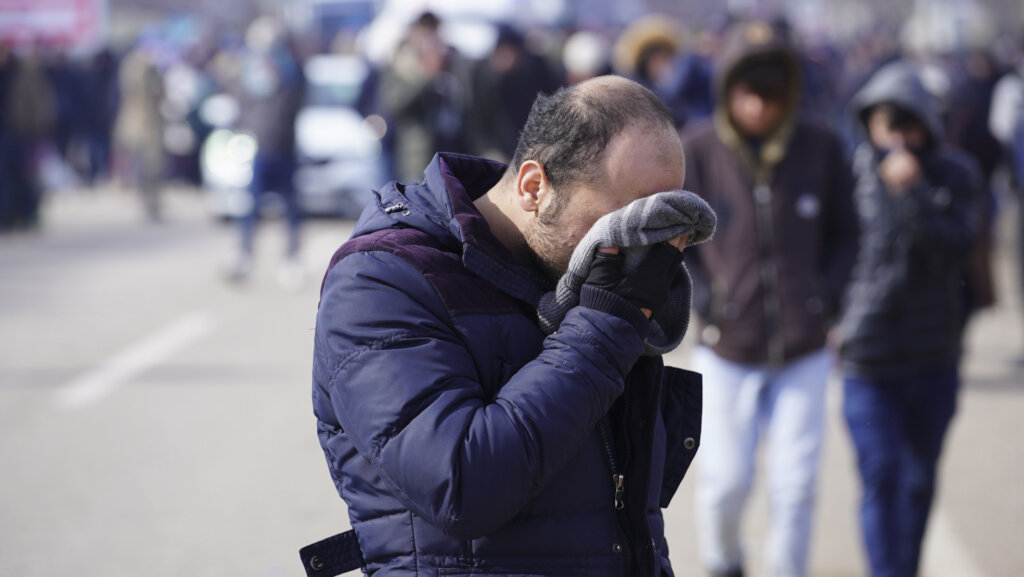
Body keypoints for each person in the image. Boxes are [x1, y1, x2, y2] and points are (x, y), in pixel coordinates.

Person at [308, 76, 713, 577]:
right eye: (621, 221)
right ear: (533, 187)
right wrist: (605, 329)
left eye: (660, 223)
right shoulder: (382, 278)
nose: (639, 247)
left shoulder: (584, 283)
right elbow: (461, 486)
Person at [680, 19, 858, 577]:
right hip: (726, 344)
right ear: (728, 87)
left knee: (796, 486)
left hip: (804, 348)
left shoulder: (822, 146)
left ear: (791, 91)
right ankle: (724, 563)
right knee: (724, 483)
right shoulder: (697, 150)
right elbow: (675, 242)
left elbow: (849, 233)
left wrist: (826, 298)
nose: (760, 104)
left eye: (772, 92)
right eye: (748, 90)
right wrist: (705, 299)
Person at [839, 61, 980, 577]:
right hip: (868, 357)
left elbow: (957, 244)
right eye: (884, 124)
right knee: (881, 475)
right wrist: (834, 317)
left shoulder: (955, 174)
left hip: (934, 356)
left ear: (927, 124)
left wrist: (914, 191)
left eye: (907, 123)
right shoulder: (852, 173)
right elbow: (832, 256)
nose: (896, 137)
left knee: (920, 480)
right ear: (869, 124)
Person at [226, 17, 306, 286]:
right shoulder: (248, 74)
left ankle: (291, 259)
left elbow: (297, 103)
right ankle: (244, 256)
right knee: (250, 206)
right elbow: (240, 107)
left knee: (291, 208)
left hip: (285, 148)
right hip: (259, 149)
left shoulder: (292, 73)